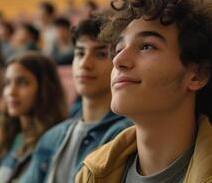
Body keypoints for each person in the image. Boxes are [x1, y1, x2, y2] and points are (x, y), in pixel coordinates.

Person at [76, 0, 212, 182]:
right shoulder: (92, 172)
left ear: (197, 75)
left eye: (146, 46)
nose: (118, 61)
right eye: (118, 49)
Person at [21, 18, 132, 183]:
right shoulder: (53, 136)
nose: (85, 63)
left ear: (118, 64)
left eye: (100, 54)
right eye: (80, 53)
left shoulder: (125, 136)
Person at [0, 52, 67, 183]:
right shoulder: (4, 133)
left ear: (45, 89)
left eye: (22, 83)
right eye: (8, 83)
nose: (11, 92)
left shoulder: (53, 142)